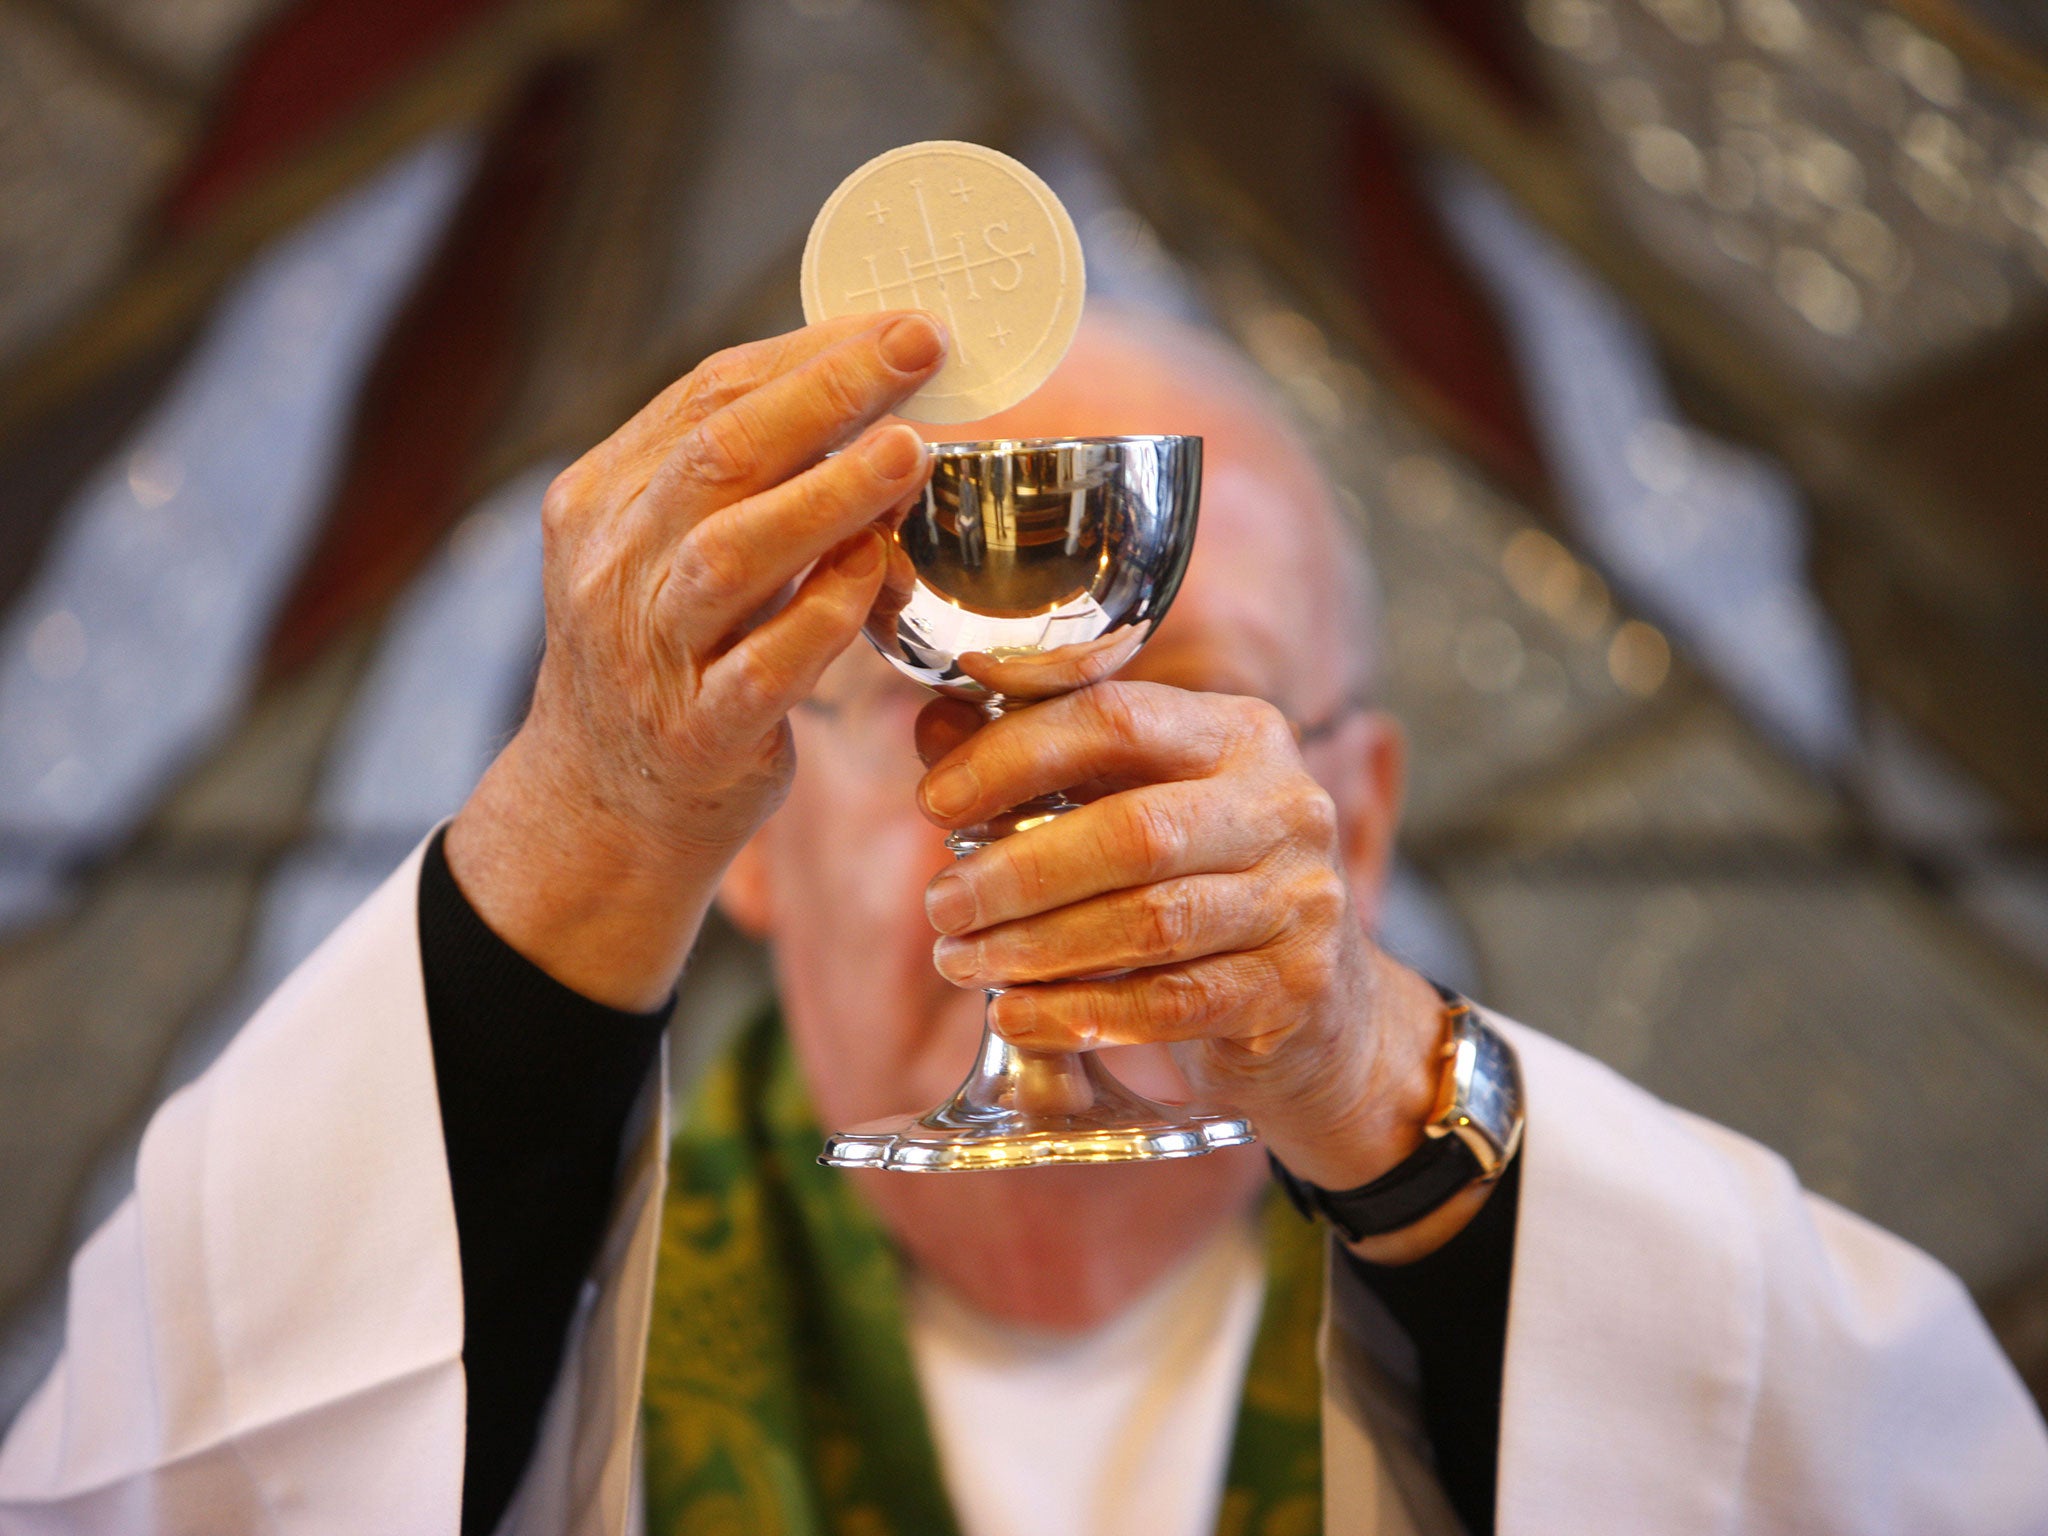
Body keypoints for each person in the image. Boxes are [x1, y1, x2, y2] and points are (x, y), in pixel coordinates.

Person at [1, 309, 2043, 1535]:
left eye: (1195, 691)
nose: (1056, 787)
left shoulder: (1604, 1291)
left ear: (1361, 808)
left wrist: (1367, 1069)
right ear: (755, 829)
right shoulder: (524, 1314)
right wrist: (578, 815)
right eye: (927, 706)